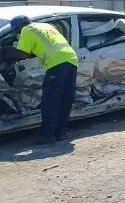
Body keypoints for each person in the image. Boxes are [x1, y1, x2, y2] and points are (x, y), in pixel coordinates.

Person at [0, 16, 79, 144]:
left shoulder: (26, 30)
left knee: (50, 100)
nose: (18, 34)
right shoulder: (45, 26)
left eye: (16, 32)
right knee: (65, 98)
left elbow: (23, 54)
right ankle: (61, 133)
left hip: (56, 62)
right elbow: (42, 46)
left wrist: (4, 53)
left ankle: (49, 136)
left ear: (18, 27)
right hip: (71, 59)